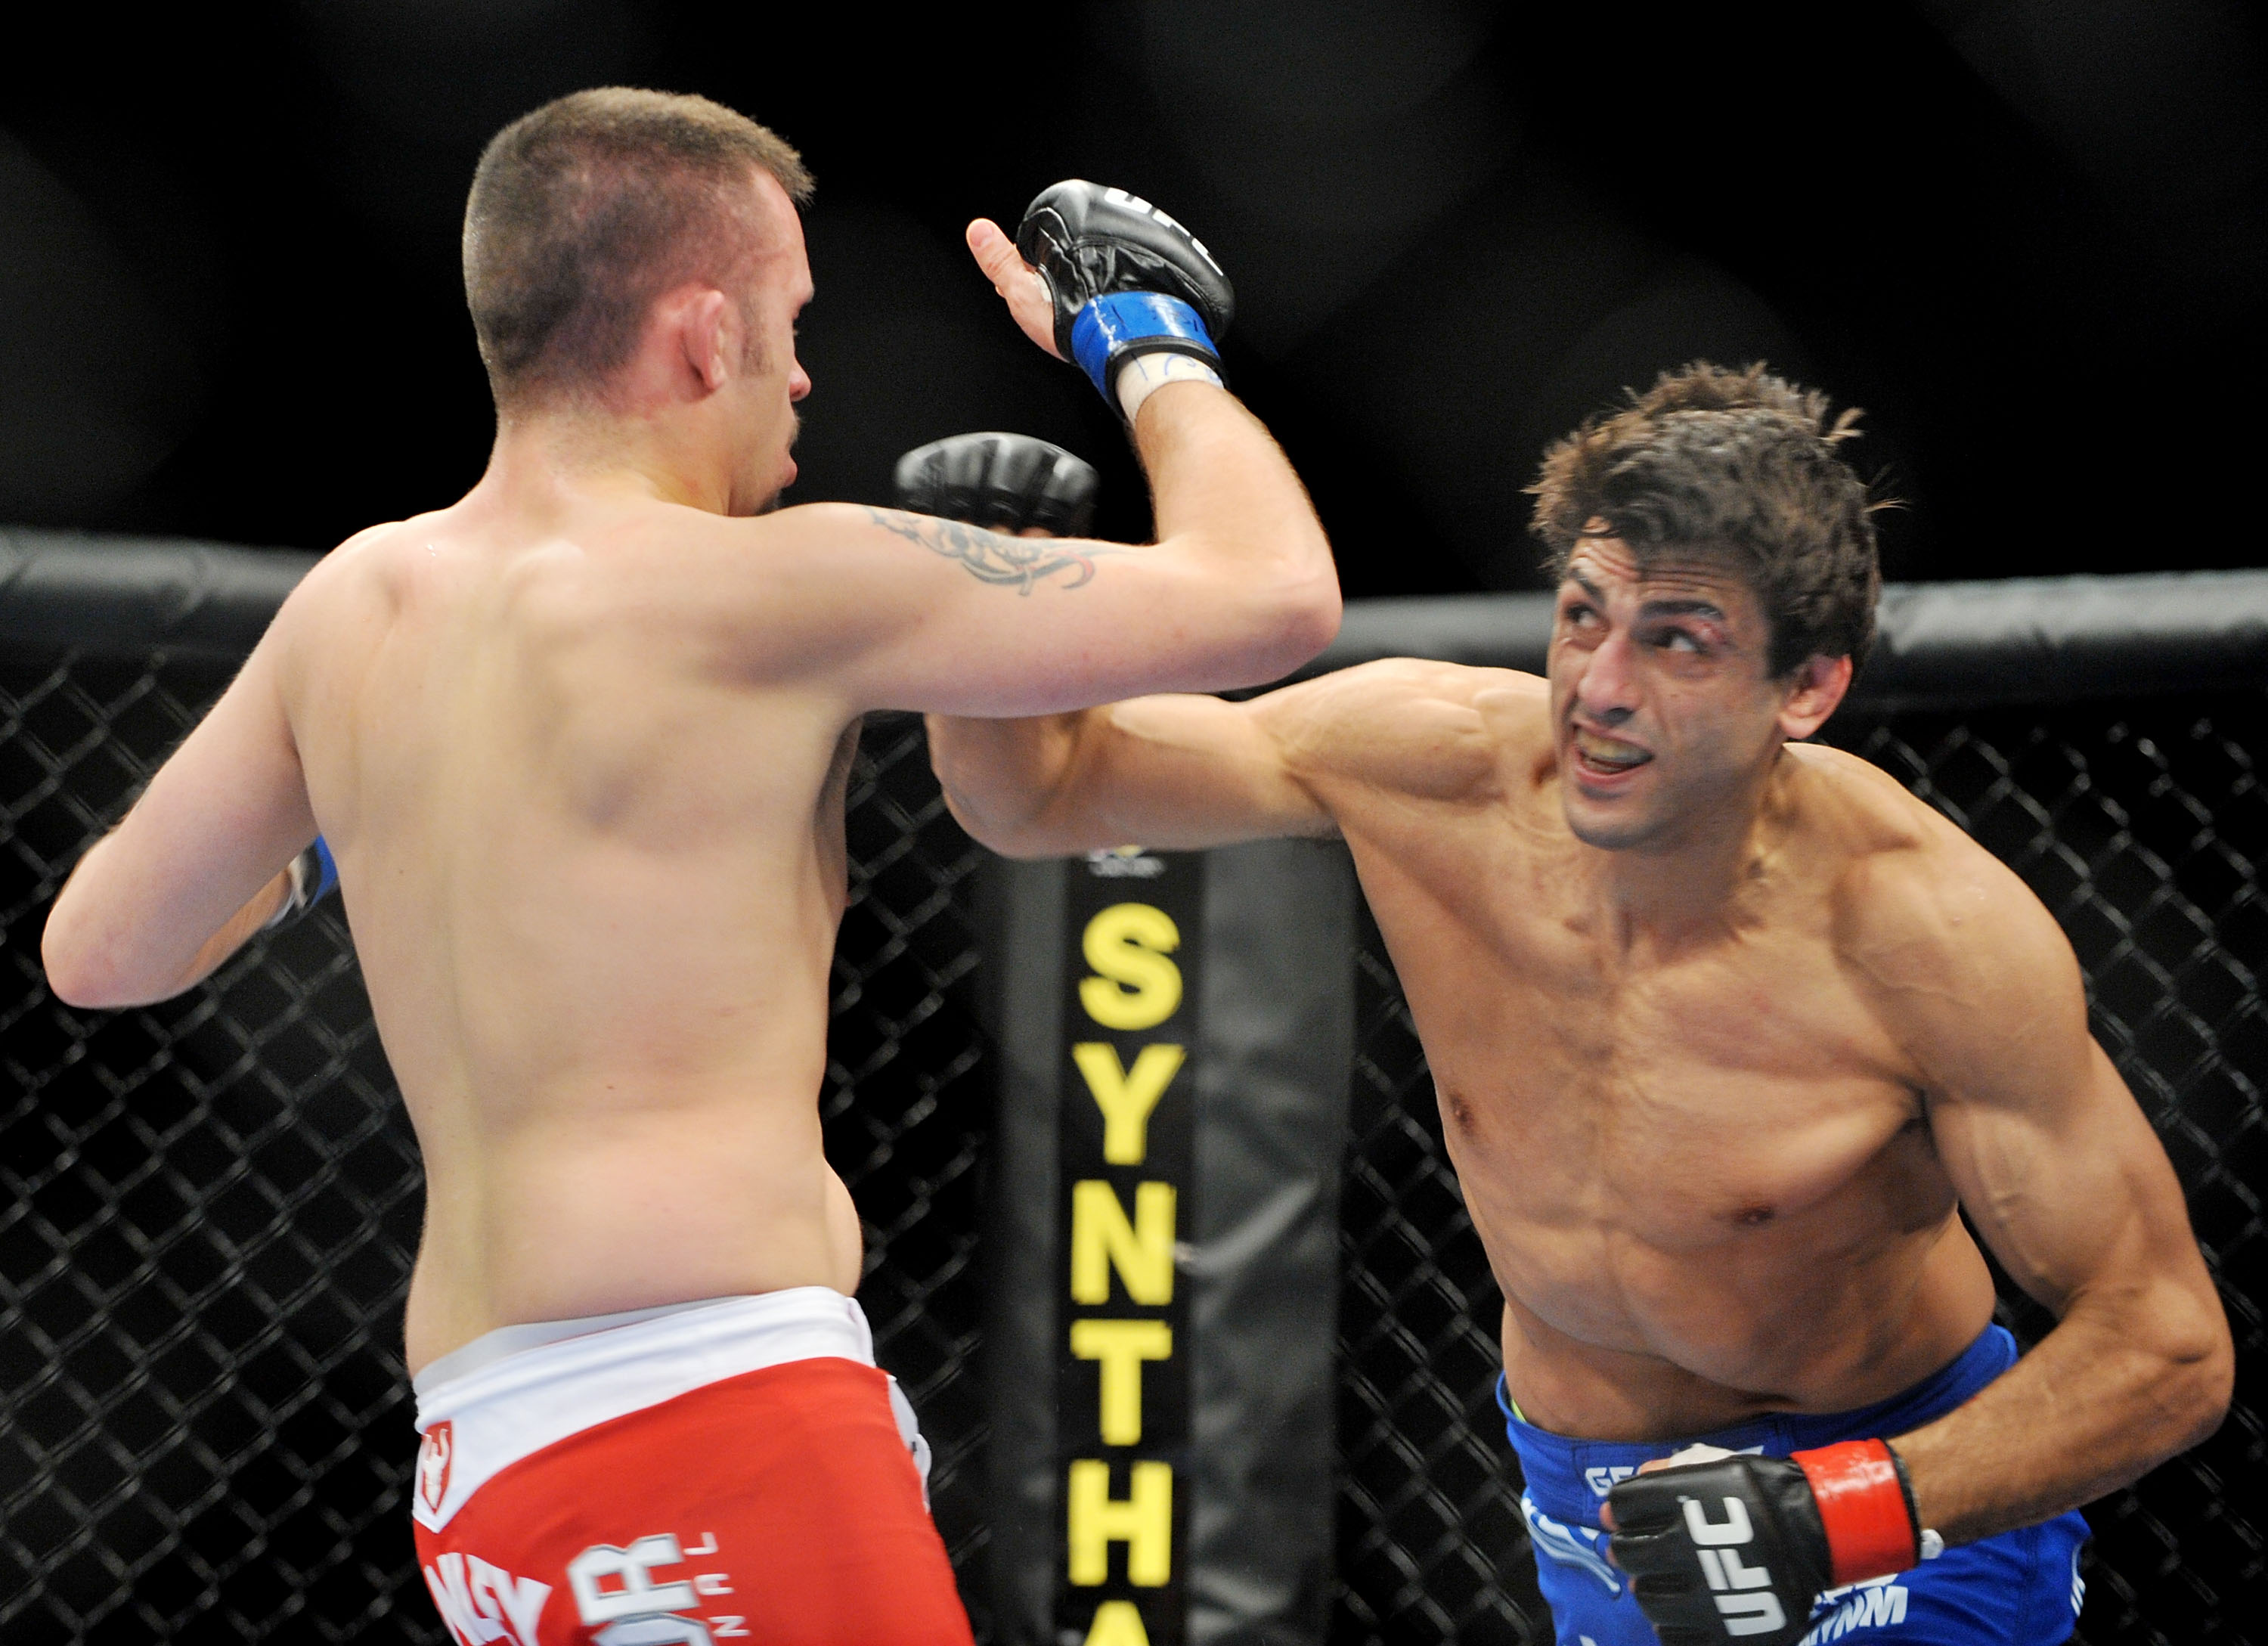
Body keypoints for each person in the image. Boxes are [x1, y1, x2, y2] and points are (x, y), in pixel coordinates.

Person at [39, 89, 1337, 1646]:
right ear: (702, 335)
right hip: (708, 1416)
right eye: (790, 322)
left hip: (482, 1466)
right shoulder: (775, 591)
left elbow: (103, 950)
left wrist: (360, 824)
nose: (801, 379)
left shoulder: (356, 607)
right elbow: (1271, 596)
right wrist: (1146, 342)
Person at [924, 363, 2232, 1644]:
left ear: (1809, 690)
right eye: (1582, 615)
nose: (1601, 688)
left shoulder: (1927, 936)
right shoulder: (1427, 766)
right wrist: (986, 591)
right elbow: (1038, 797)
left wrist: (1853, 1511)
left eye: (1677, 642)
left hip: (1892, 1485)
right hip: (1591, 1497)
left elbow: (2167, 1344)